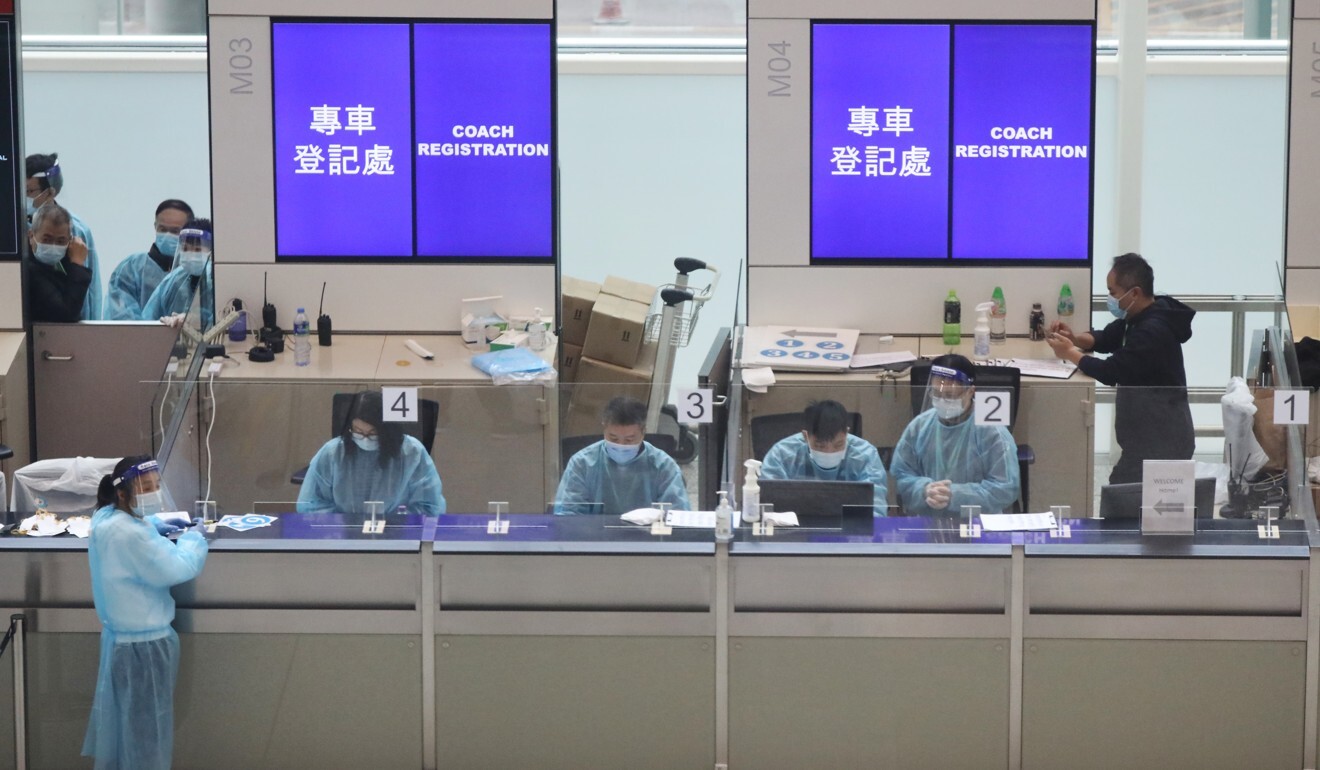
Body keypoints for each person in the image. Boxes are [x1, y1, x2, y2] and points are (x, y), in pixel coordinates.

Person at [83, 456, 208, 770]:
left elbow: (130, 528)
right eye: (146, 488)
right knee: (146, 736)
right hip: (145, 650)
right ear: (123, 494)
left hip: (121, 644)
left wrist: (153, 524)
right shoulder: (131, 535)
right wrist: (195, 539)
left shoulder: (105, 518)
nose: (153, 494)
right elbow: (178, 567)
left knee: (125, 731)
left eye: (156, 486)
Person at [1047, 253, 1195, 483]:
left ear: (1134, 293)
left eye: (1112, 292)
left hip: (1162, 442)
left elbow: (1111, 371)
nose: (1110, 298)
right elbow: (1107, 337)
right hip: (1145, 439)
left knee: (1121, 504)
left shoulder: (1153, 331)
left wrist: (1070, 353)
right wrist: (1075, 338)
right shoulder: (1138, 317)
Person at [890, 355, 1020, 515]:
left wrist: (954, 495)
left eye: (950, 396)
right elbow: (902, 475)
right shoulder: (920, 426)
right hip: (928, 522)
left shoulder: (992, 431)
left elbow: (1005, 488)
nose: (942, 400)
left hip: (979, 523)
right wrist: (924, 490)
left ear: (971, 391)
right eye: (936, 394)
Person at [297, 390, 446, 515]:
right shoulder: (333, 452)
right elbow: (310, 505)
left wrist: (394, 526)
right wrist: (345, 526)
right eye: (358, 432)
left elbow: (430, 507)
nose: (365, 439)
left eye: (372, 433)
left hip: (397, 536)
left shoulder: (412, 452)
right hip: (343, 536)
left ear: (387, 431)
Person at [555, 396, 689, 515]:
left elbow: (678, 515)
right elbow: (567, 515)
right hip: (595, 538)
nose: (621, 445)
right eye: (613, 438)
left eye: (629, 440)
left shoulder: (664, 466)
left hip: (647, 539)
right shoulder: (582, 463)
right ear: (604, 428)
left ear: (643, 433)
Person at [760, 399, 889, 514]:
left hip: (851, 532)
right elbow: (770, 503)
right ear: (806, 436)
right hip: (795, 532)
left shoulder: (865, 455)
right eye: (820, 446)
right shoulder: (782, 454)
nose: (829, 452)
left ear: (847, 433)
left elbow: (876, 507)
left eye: (838, 445)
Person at [27, 152, 102, 319]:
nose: (24, 196)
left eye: (30, 191)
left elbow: (91, 292)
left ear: (49, 192)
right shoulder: (18, 228)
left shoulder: (77, 230)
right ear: (31, 235)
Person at [105, 199, 195, 320]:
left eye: (175, 231)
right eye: (162, 229)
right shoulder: (131, 269)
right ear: (155, 227)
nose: (167, 235)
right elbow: (122, 320)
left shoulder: (194, 272)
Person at [141, 218, 215, 328]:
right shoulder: (174, 279)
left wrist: (195, 319)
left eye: (197, 249)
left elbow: (221, 319)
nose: (190, 254)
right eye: (185, 248)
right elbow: (148, 321)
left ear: (212, 250)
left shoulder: (216, 280)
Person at [25, 202, 92, 323]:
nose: (53, 246)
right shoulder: (27, 270)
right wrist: (77, 264)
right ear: (31, 236)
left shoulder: (59, 265)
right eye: (47, 239)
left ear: (69, 241)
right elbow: (66, 313)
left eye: (61, 241)